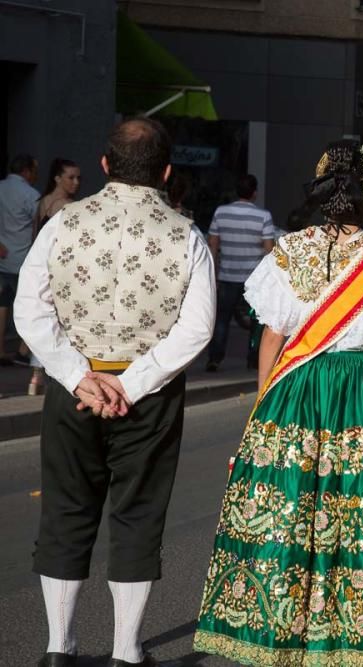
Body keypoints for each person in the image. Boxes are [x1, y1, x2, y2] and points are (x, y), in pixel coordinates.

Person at [193, 141, 363, 665]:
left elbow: (272, 337)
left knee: (292, 510)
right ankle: (357, 634)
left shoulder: (288, 253)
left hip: (298, 388)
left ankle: (283, 632)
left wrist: (263, 404)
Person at [15, 118, 215, 667]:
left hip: (73, 388)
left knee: (65, 508)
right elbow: (197, 328)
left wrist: (79, 375)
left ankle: (59, 646)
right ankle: (126, 650)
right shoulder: (186, 235)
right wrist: (129, 383)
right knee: (138, 513)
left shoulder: (63, 223)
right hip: (147, 395)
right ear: (167, 172)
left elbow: (30, 308)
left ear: (104, 165)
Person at [206, 174, 275, 371]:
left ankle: (215, 358)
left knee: (222, 319)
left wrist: (214, 272)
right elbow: (269, 249)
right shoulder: (263, 216)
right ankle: (253, 359)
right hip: (254, 279)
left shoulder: (221, 212)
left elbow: (213, 244)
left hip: (227, 275)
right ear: (254, 193)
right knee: (256, 321)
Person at [26, 159, 81, 395]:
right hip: (62, 273)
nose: (76, 183)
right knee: (58, 325)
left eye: (79, 178)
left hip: (42, 269)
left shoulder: (42, 203)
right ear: (57, 178)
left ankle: (35, 378)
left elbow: (34, 237)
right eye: (71, 177)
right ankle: (49, 377)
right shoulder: (68, 207)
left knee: (43, 319)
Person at [0, 153, 40, 365]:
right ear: (26, 171)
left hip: (2, 255)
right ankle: (23, 352)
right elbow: (39, 222)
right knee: (28, 305)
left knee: (2, 304)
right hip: (21, 258)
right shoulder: (30, 194)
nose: (36, 175)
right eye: (34, 170)